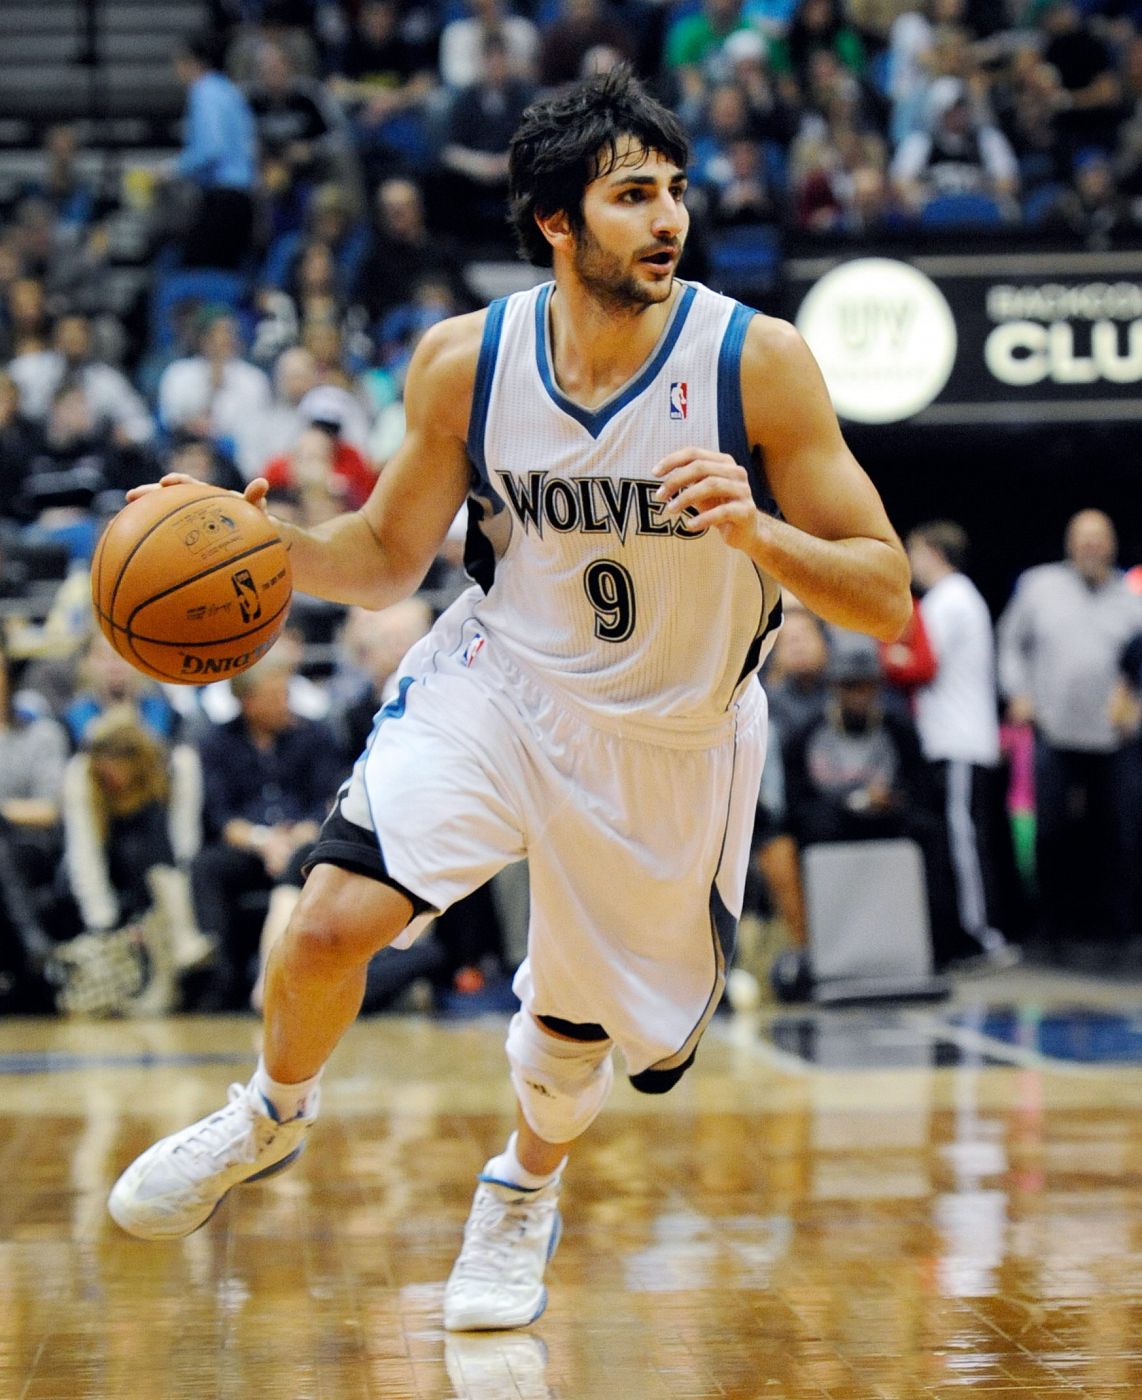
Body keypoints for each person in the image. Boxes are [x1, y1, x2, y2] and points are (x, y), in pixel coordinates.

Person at [107, 66, 911, 1332]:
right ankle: (266, 1112)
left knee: (577, 1034)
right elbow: (380, 557)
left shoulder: (756, 363)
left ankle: (523, 1185)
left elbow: (883, 594)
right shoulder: (462, 364)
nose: (666, 219)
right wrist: (257, 548)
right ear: (553, 220)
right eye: (630, 195)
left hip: (669, 737)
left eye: (673, 191)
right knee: (327, 921)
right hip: (499, 682)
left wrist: (757, 529)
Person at [997, 509, 1142, 957]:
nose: (1092, 546)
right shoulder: (1039, 587)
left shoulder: (1131, 598)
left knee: (1122, 831)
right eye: (1084, 538)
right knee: (1051, 833)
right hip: (1053, 730)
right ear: (1069, 543)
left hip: (1114, 737)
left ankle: (1122, 929)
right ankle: (1050, 927)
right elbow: (1008, 645)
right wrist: (1017, 692)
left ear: (1113, 544)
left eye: (1100, 538)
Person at [906, 521, 1018, 967]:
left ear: (933, 552)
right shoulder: (960, 597)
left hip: (958, 741)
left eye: (914, 552)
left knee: (964, 841)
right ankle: (966, 932)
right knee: (961, 839)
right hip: (955, 742)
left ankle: (982, 934)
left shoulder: (948, 599)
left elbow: (917, 662)